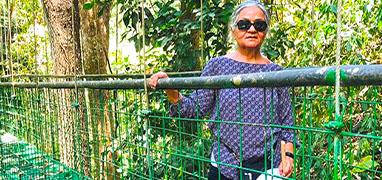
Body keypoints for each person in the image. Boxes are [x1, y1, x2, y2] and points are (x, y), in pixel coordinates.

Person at [149, 1, 297, 179]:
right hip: (225, 164)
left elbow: (287, 123)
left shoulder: (276, 72)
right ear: (233, 30)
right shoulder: (218, 66)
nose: (251, 30)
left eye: (259, 24)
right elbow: (194, 109)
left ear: (265, 31)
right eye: (244, 24)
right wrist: (171, 90)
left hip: (269, 167)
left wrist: (288, 156)